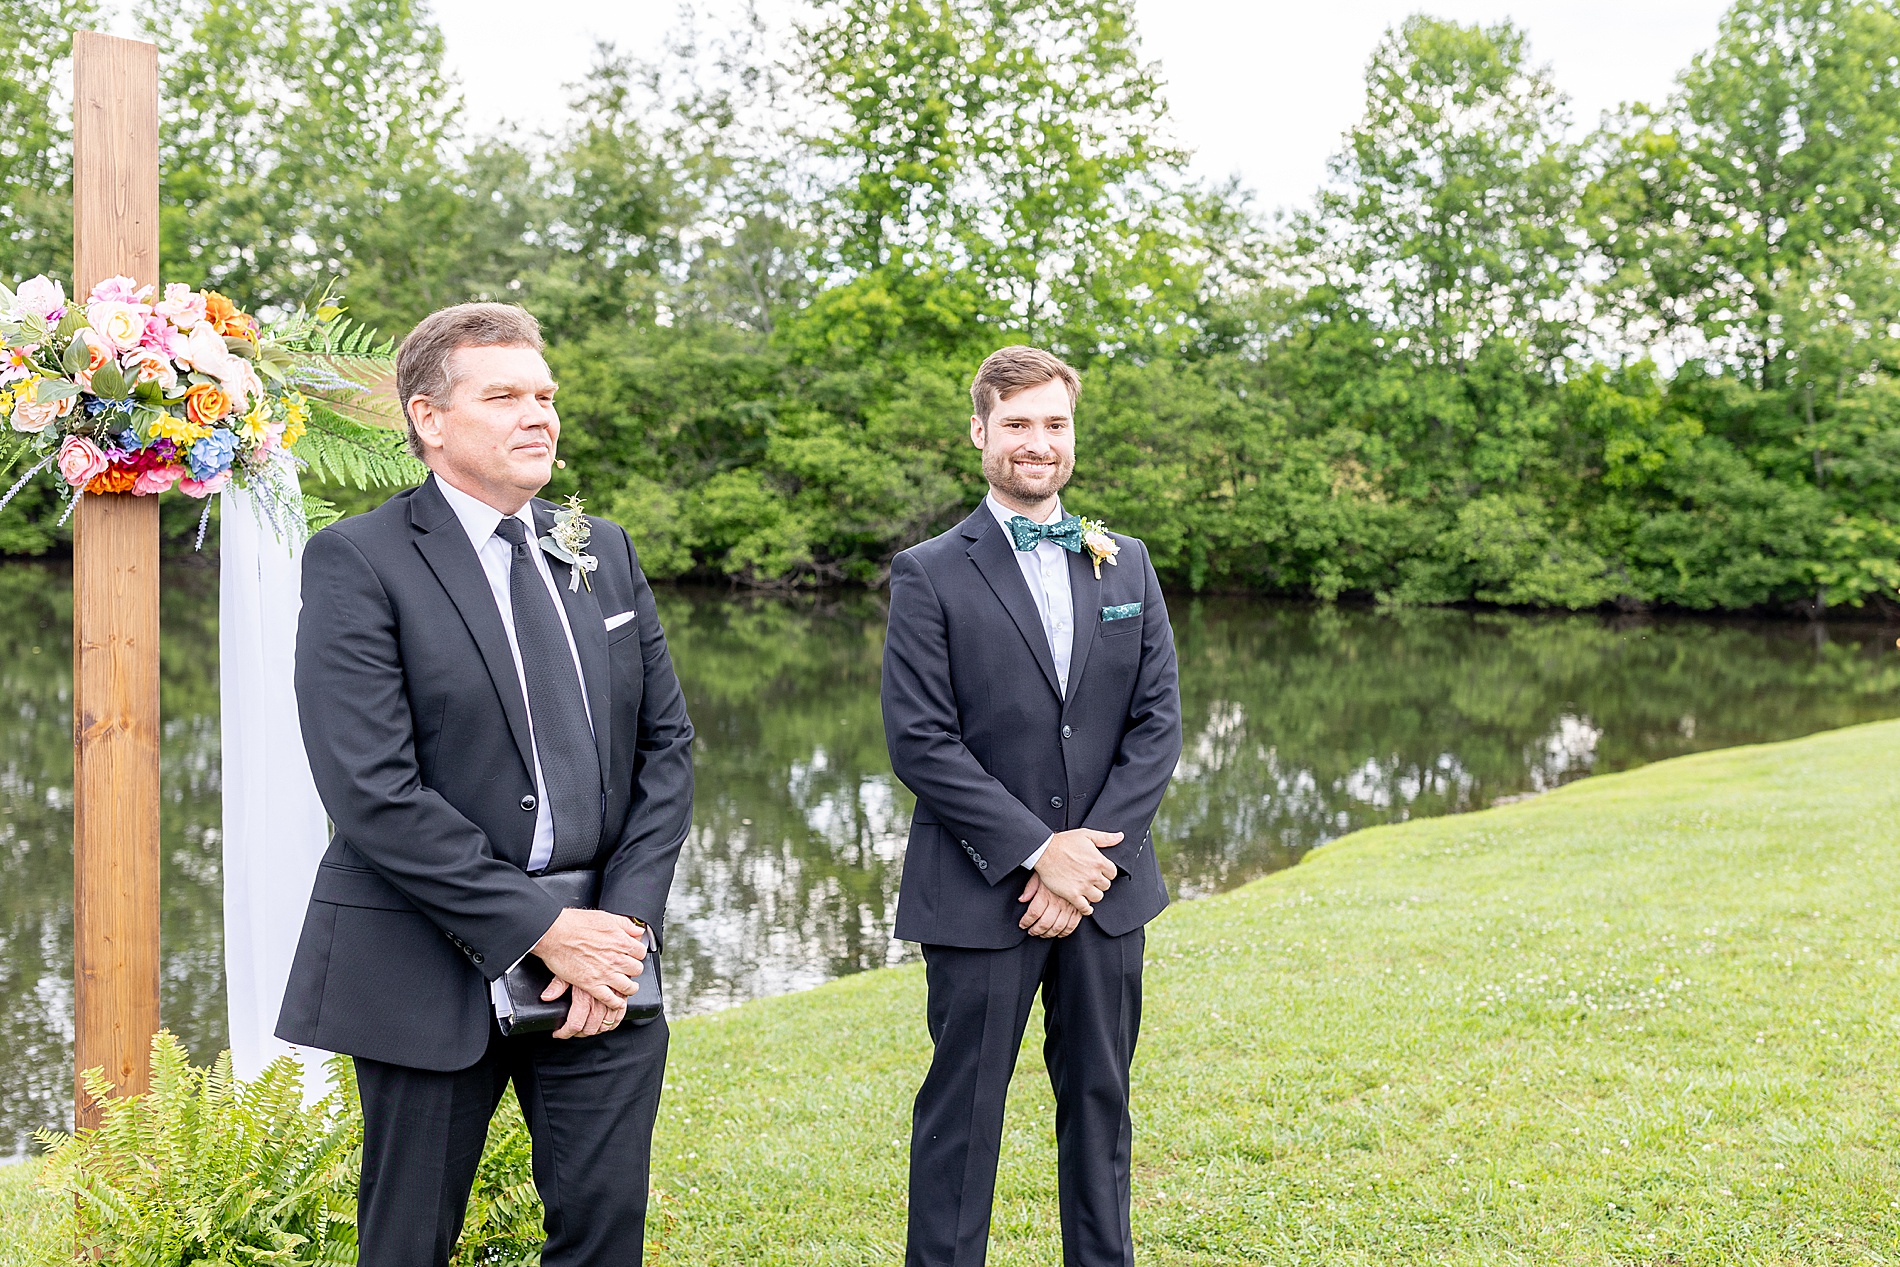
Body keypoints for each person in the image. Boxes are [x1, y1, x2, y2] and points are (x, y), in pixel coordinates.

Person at [275, 302, 694, 1266]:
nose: (537, 415)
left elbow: (666, 751)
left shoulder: (602, 550)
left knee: (602, 1236)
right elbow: (371, 788)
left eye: (544, 395)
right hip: (426, 959)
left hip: (605, 967)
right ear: (428, 417)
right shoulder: (359, 562)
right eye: (503, 395)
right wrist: (543, 930)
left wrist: (619, 934)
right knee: (408, 1242)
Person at [881, 345, 1183, 1267]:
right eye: (1016, 424)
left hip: (1104, 891)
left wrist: (1088, 861)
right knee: (962, 1119)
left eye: (1054, 424)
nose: (1037, 443)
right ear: (980, 433)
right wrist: (1033, 851)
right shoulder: (928, 570)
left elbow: (1157, 724)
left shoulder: (1123, 562)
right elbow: (921, 740)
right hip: (981, 896)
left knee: (1100, 1108)